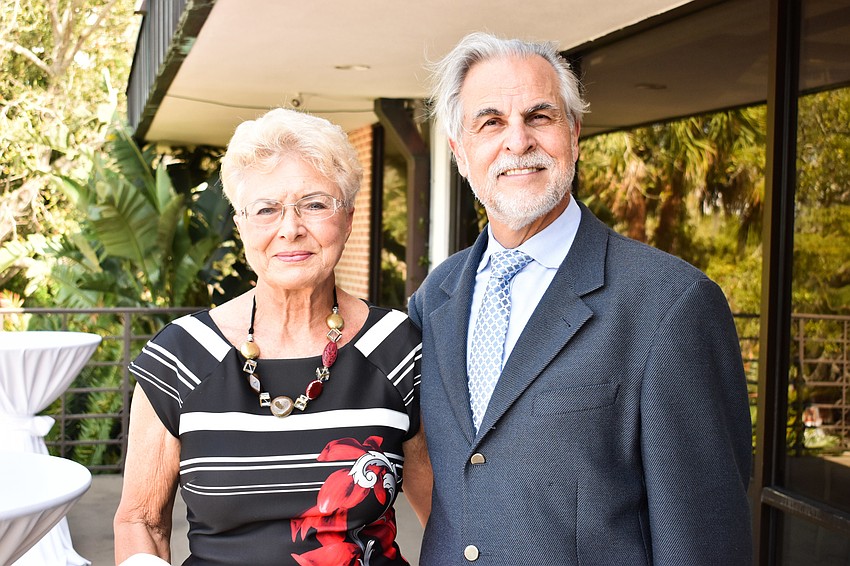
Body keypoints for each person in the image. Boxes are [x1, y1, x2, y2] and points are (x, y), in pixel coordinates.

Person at [408, 32, 752, 565]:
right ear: (459, 152)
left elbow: (703, 540)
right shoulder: (437, 297)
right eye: (491, 122)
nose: (517, 141)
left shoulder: (671, 305)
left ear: (573, 134)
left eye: (539, 116)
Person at [114, 108, 432, 566]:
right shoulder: (180, 357)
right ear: (241, 225)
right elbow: (141, 522)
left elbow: (447, 517)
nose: (290, 228)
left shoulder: (399, 349)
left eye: (315, 204)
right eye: (266, 209)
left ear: (348, 219)